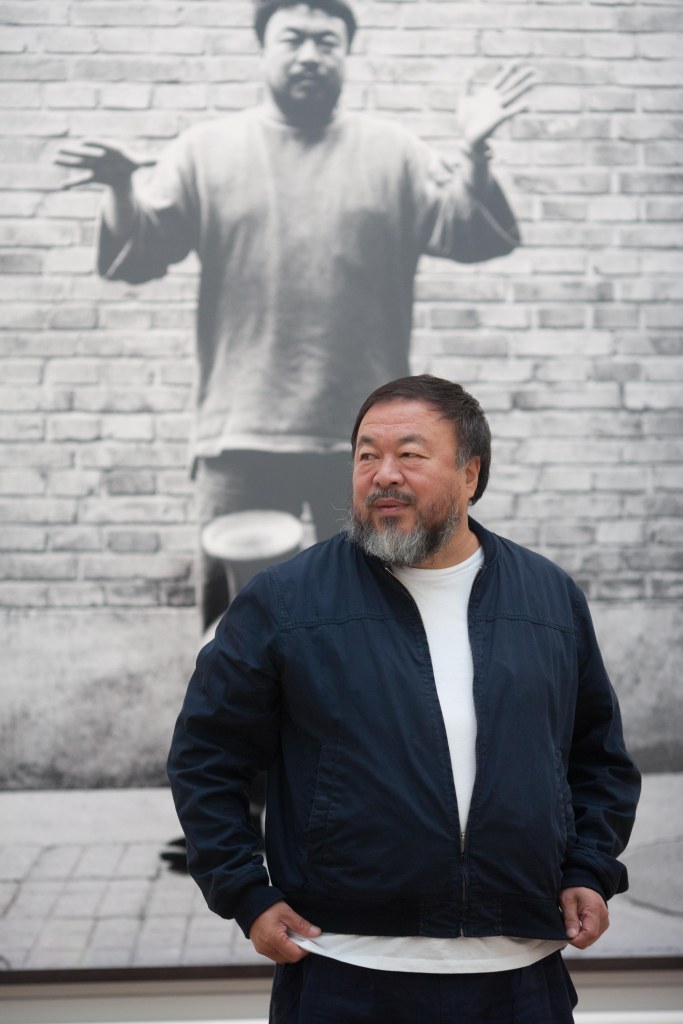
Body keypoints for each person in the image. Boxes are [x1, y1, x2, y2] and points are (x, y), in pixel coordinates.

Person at [167, 374, 641, 1023]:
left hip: (521, 972)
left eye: (409, 455)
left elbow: (597, 759)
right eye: (366, 456)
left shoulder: (548, 599)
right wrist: (243, 891)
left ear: (470, 474)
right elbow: (205, 757)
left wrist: (587, 868)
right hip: (344, 968)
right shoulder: (285, 602)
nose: (382, 474)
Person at [54, 0, 536, 630]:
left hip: (371, 444)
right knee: (234, 636)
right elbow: (136, 256)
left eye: (326, 41)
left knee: (376, 632)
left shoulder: (395, 152)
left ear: (345, 54)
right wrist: (122, 189)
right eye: (293, 39)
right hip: (243, 436)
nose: (309, 53)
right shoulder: (205, 150)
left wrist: (475, 155)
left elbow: (479, 235)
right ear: (263, 49)